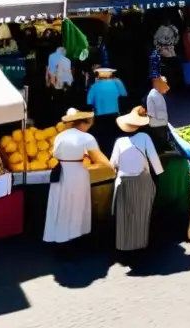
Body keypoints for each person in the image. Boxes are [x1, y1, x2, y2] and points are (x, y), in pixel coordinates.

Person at [44, 108, 111, 246]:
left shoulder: (60, 136)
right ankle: (74, 239)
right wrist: (112, 166)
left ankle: (59, 238)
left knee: (60, 204)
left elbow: (55, 153)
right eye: (88, 124)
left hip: (61, 171)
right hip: (77, 173)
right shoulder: (87, 137)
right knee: (77, 205)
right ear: (82, 123)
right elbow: (100, 158)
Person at [110, 107, 164, 253]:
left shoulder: (119, 142)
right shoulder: (145, 138)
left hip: (123, 181)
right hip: (142, 180)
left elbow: (112, 164)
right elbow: (153, 159)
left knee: (125, 214)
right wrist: (158, 174)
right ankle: (140, 244)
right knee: (141, 212)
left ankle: (124, 245)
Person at [86, 68, 128, 156]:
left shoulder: (94, 86)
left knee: (103, 140)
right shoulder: (116, 83)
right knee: (115, 137)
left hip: (100, 117)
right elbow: (124, 94)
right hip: (114, 115)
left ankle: (106, 157)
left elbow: (89, 102)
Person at [145, 74, 171, 152]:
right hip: (157, 124)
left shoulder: (159, 93)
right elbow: (151, 112)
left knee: (163, 139)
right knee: (160, 141)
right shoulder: (153, 95)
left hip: (161, 122)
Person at [46, 45, 73, 110]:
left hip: (58, 87)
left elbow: (51, 75)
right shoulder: (68, 61)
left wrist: (49, 84)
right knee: (64, 103)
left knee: (57, 104)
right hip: (66, 86)